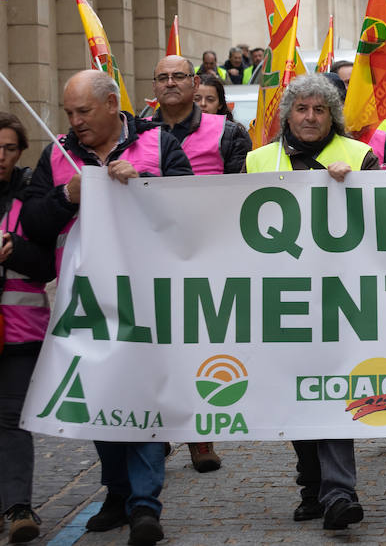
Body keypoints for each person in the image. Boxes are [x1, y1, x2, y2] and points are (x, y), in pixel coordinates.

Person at [23, 71, 193, 546]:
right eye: (69, 113)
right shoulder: (57, 154)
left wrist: (143, 185)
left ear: (112, 105)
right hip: (86, 302)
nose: (75, 122)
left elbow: (191, 210)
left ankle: (144, 505)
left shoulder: (158, 144)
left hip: (150, 297)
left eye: (84, 112)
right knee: (100, 395)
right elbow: (33, 221)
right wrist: (66, 197)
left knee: (140, 395)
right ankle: (117, 492)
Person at [245, 74, 377, 531]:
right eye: (301, 109)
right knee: (297, 392)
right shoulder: (257, 160)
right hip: (283, 298)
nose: (310, 117)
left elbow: (382, 219)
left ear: (332, 116)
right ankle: (311, 483)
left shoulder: (359, 156)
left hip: (344, 298)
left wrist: (354, 186)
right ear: (287, 115)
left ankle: (340, 492)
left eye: (320, 110)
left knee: (334, 390)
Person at [146, 56, 252, 472]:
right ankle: (155, 436)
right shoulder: (137, 134)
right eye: (162, 77)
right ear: (154, 87)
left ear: (195, 84)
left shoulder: (226, 133)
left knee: (197, 348)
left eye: (179, 76)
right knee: (154, 351)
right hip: (152, 255)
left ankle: (199, 436)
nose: (170, 83)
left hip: (207, 256)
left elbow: (241, 195)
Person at [0, 113, 45, 544]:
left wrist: (13, 255)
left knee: (12, 419)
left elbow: (45, 263)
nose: (0, 156)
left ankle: (18, 508)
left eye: (9, 148)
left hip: (19, 331)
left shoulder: (30, 198)